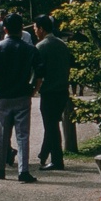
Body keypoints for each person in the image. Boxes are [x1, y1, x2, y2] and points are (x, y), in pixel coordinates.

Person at [0, 13, 43, 183]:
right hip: (23, 94)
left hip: (2, 96)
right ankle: (23, 171)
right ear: (22, 28)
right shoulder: (30, 49)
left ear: (5, 29)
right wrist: (34, 89)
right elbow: (39, 71)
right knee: (22, 134)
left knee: (0, 134)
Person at [33, 15, 74, 171]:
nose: (35, 31)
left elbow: (38, 72)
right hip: (63, 90)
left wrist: (34, 88)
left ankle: (57, 160)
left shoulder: (42, 46)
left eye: (36, 28)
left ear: (42, 29)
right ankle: (44, 154)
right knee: (52, 123)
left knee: (51, 126)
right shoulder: (62, 45)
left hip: (49, 91)